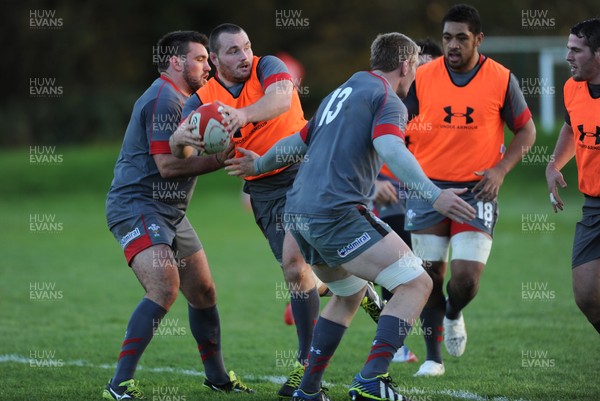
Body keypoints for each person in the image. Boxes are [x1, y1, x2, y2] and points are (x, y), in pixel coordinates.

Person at [225, 32, 476, 401]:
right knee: (418, 284)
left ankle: (308, 389)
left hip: (299, 217)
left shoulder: (341, 92)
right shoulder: (387, 99)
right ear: (406, 64)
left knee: (348, 295)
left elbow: (297, 143)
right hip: (336, 215)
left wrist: (259, 162)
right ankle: (371, 379)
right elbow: (390, 147)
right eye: (417, 69)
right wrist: (434, 195)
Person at [172, 23, 321, 399]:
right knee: (296, 271)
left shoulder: (266, 65)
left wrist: (242, 116)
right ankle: (349, 285)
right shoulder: (203, 97)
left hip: (303, 167)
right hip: (263, 186)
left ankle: (307, 364)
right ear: (216, 58)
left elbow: (282, 99)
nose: (244, 56)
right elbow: (182, 146)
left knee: (295, 264)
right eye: (233, 51)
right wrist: (180, 140)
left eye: (247, 47)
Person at [103, 31, 252, 400]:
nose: (207, 66)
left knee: (202, 291)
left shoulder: (189, 102)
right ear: (175, 62)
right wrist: (222, 159)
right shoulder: (164, 99)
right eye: (200, 59)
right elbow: (167, 166)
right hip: (137, 205)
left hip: (170, 212)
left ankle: (217, 379)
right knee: (165, 287)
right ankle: (119, 384)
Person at [403, 4, 536, 376]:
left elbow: (526, 131)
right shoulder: (422, 76)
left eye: (461, 38)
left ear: (478, 39)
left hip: (478, 191)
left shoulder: (501, 78)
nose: (453, 45)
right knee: (428, 277)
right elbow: (397, 127)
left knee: (465, 279)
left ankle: (454, 312)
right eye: (447, 37)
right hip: (427, 190)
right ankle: (433, 358)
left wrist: (500, 170)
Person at [372, 38, 443, 364]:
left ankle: (434, 346)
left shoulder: (445, 106)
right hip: (390, 189)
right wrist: (374, 181)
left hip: (428, 189)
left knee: (426, 269)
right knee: (397, 264)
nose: (422, 71)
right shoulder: (390, 99)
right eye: (419, 64)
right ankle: (397, 345)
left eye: (429, 65)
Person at [545, 18, 600, 335]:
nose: (568, 57)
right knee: (586, 294)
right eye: (568, 49)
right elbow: (571, 126)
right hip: (593, 206)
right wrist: (554, 165)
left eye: (576, 50)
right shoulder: (572, 88)